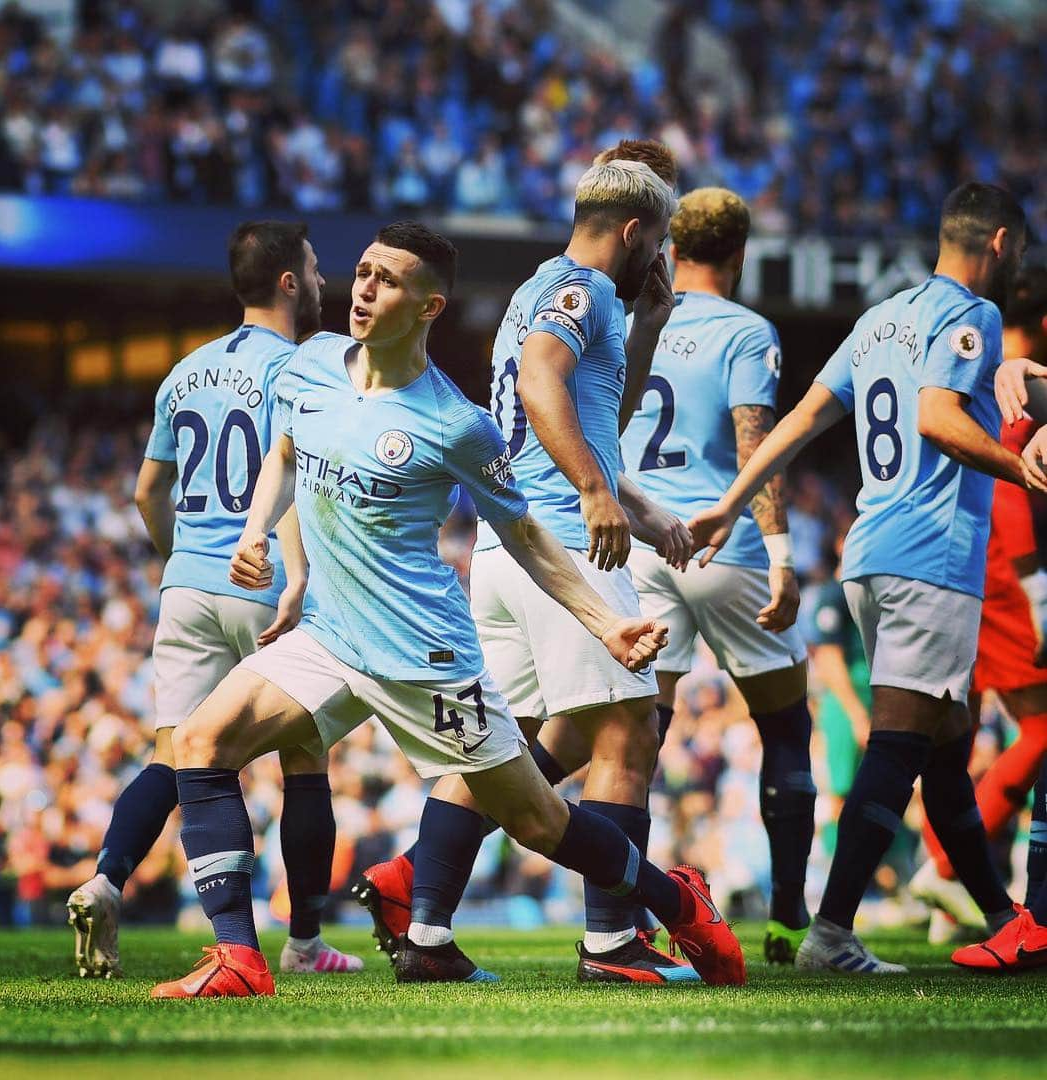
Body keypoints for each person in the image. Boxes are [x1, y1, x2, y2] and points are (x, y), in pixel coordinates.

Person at [150, 220, 745, 999]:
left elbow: (526, 532)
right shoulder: (311, 363)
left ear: (429, 307)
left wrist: (606, 624)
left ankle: (676, 903)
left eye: (388, 281)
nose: (364, 290)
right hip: (331, 637)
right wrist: (262, 534)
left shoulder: (457, 424)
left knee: (541, 824)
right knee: (200, 742)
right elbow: (289, 450)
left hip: (426, 659)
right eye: (362, 273)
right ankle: (238, 958)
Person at [355, 146, 697, 987]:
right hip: (562, 542)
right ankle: (613, 945)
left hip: (506, 547)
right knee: (628, 731)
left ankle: (425, 926)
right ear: (635, 231)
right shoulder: (582, 294)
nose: (658, 258)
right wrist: (593, 491)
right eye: (657, 242)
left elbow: (596, 409)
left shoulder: (538, 289)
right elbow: (546, 378)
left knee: (505, 749)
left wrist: (647, 326)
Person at [689, 182, 1037, 974]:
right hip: (932, 559)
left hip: (869, 554)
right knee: (901, 743)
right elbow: (939, 419)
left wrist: (728, 504)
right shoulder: (974, 314)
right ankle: (832, 932)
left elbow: (801, 420)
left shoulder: (879, 320)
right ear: (1002, 243)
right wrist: (1023, 467)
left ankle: (1005, 919)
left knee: (946, 747)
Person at [66, 221, 362, 979]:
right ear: (290, 281)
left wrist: (180, 561)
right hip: (262, 582)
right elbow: (294, 485)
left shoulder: (183, 371)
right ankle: (301, 944)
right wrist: (292, 576)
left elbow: (144, 490)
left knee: (175, 755)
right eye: (317, 268)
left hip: (189, 586)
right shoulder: (302, 368)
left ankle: (107, 877)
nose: (326, 281)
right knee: (303, 756)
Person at [616, 186, 815, 964]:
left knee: (635, 741)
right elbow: (754, 442)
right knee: (786, 729)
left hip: (639, 543)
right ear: (739, 255)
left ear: (670, 251)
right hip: (716, 542)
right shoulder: (745, 329)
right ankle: (790, 922)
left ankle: (622, 915)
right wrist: (782, 554)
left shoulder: (639, 323)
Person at [911, 268, 1047, 939]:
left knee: (958, 730)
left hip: (969, 564)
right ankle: (941, 869)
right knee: (1041, 731)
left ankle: (952, 884)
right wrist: (1038, 593)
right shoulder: (1022, 384)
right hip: (1005, 575)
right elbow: (1016, 492)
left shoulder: (980, 366)